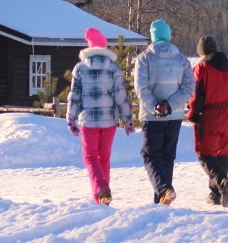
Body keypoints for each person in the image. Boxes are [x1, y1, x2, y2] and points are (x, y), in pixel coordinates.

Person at [66, 27, 136, 205]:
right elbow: (121, 95)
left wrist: (70, 118)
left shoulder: (80, 68)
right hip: (109, 120)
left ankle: (101, 190)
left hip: (88, 119)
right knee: (103, 157)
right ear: (104, 47)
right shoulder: (113, 67)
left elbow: (74, 95)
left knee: (90, 157)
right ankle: (103, 196)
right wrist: (127, 119)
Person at [187, 35, 228, 208]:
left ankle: (222, 182)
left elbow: (196, 94)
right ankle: (216, 194)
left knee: (205, 154)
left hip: (210, 114)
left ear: (202, 52)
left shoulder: (201, 68)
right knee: (223, 153)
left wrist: (193, 114)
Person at [134, 19, 194, 205]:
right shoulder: (182, 60)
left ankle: (163, 190)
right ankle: (162, 201)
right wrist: (170, 105)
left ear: (152, 37)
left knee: (150, 155)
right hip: (174, 116)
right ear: (168, 35)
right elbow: (188, 88)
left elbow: (141, 88)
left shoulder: (144, 58)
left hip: (152, 117)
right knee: (167, 157)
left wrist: (156, 106)